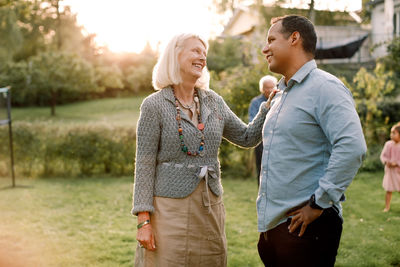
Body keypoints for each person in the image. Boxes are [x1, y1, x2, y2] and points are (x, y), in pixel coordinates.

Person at [132, 33, 277, 267]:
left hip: (209, 208)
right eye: (196, 51)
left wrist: (268, 107)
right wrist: (143, 222)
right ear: (175, 55)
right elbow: (144, 165)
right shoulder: (154, 105)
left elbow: (246, 136)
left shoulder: (214, 102)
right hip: (169, 211)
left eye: (205, 53)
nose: (202, 57)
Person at [256, 15, 367, 267]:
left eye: (271, 39)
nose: (265, 48)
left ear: (294, 38)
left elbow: (352, 147)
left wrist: (319, 203)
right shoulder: (282, 94)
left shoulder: (325, 87)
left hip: (307, 229)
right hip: (274, 229)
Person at [249, 75, 278, 186]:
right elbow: (252, 121)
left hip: (277, 140)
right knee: (261, 170)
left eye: (272, 87)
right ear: (262, 88)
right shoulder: (256, 102)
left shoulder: (279, 100)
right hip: (261, 141)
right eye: (267, 87)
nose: (270, 90)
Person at [380, 123, 400, 212]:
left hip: (398, 172)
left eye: (394, 133)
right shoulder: (388, 144)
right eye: (391, 133)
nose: (391, 135)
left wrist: (396, 163)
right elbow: (383, 156)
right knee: (389, 189)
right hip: (389, 172)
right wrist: (386, 161)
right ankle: (387, 207)